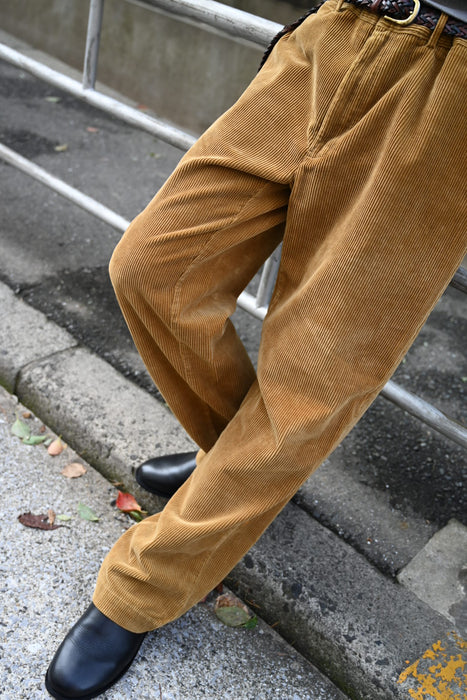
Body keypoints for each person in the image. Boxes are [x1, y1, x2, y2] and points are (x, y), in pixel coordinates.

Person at [45, 0, 467, 698]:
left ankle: (138, 591)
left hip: (449, 89)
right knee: (154, 271)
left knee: (314, 374)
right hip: (342, 27)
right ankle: (244, 472)